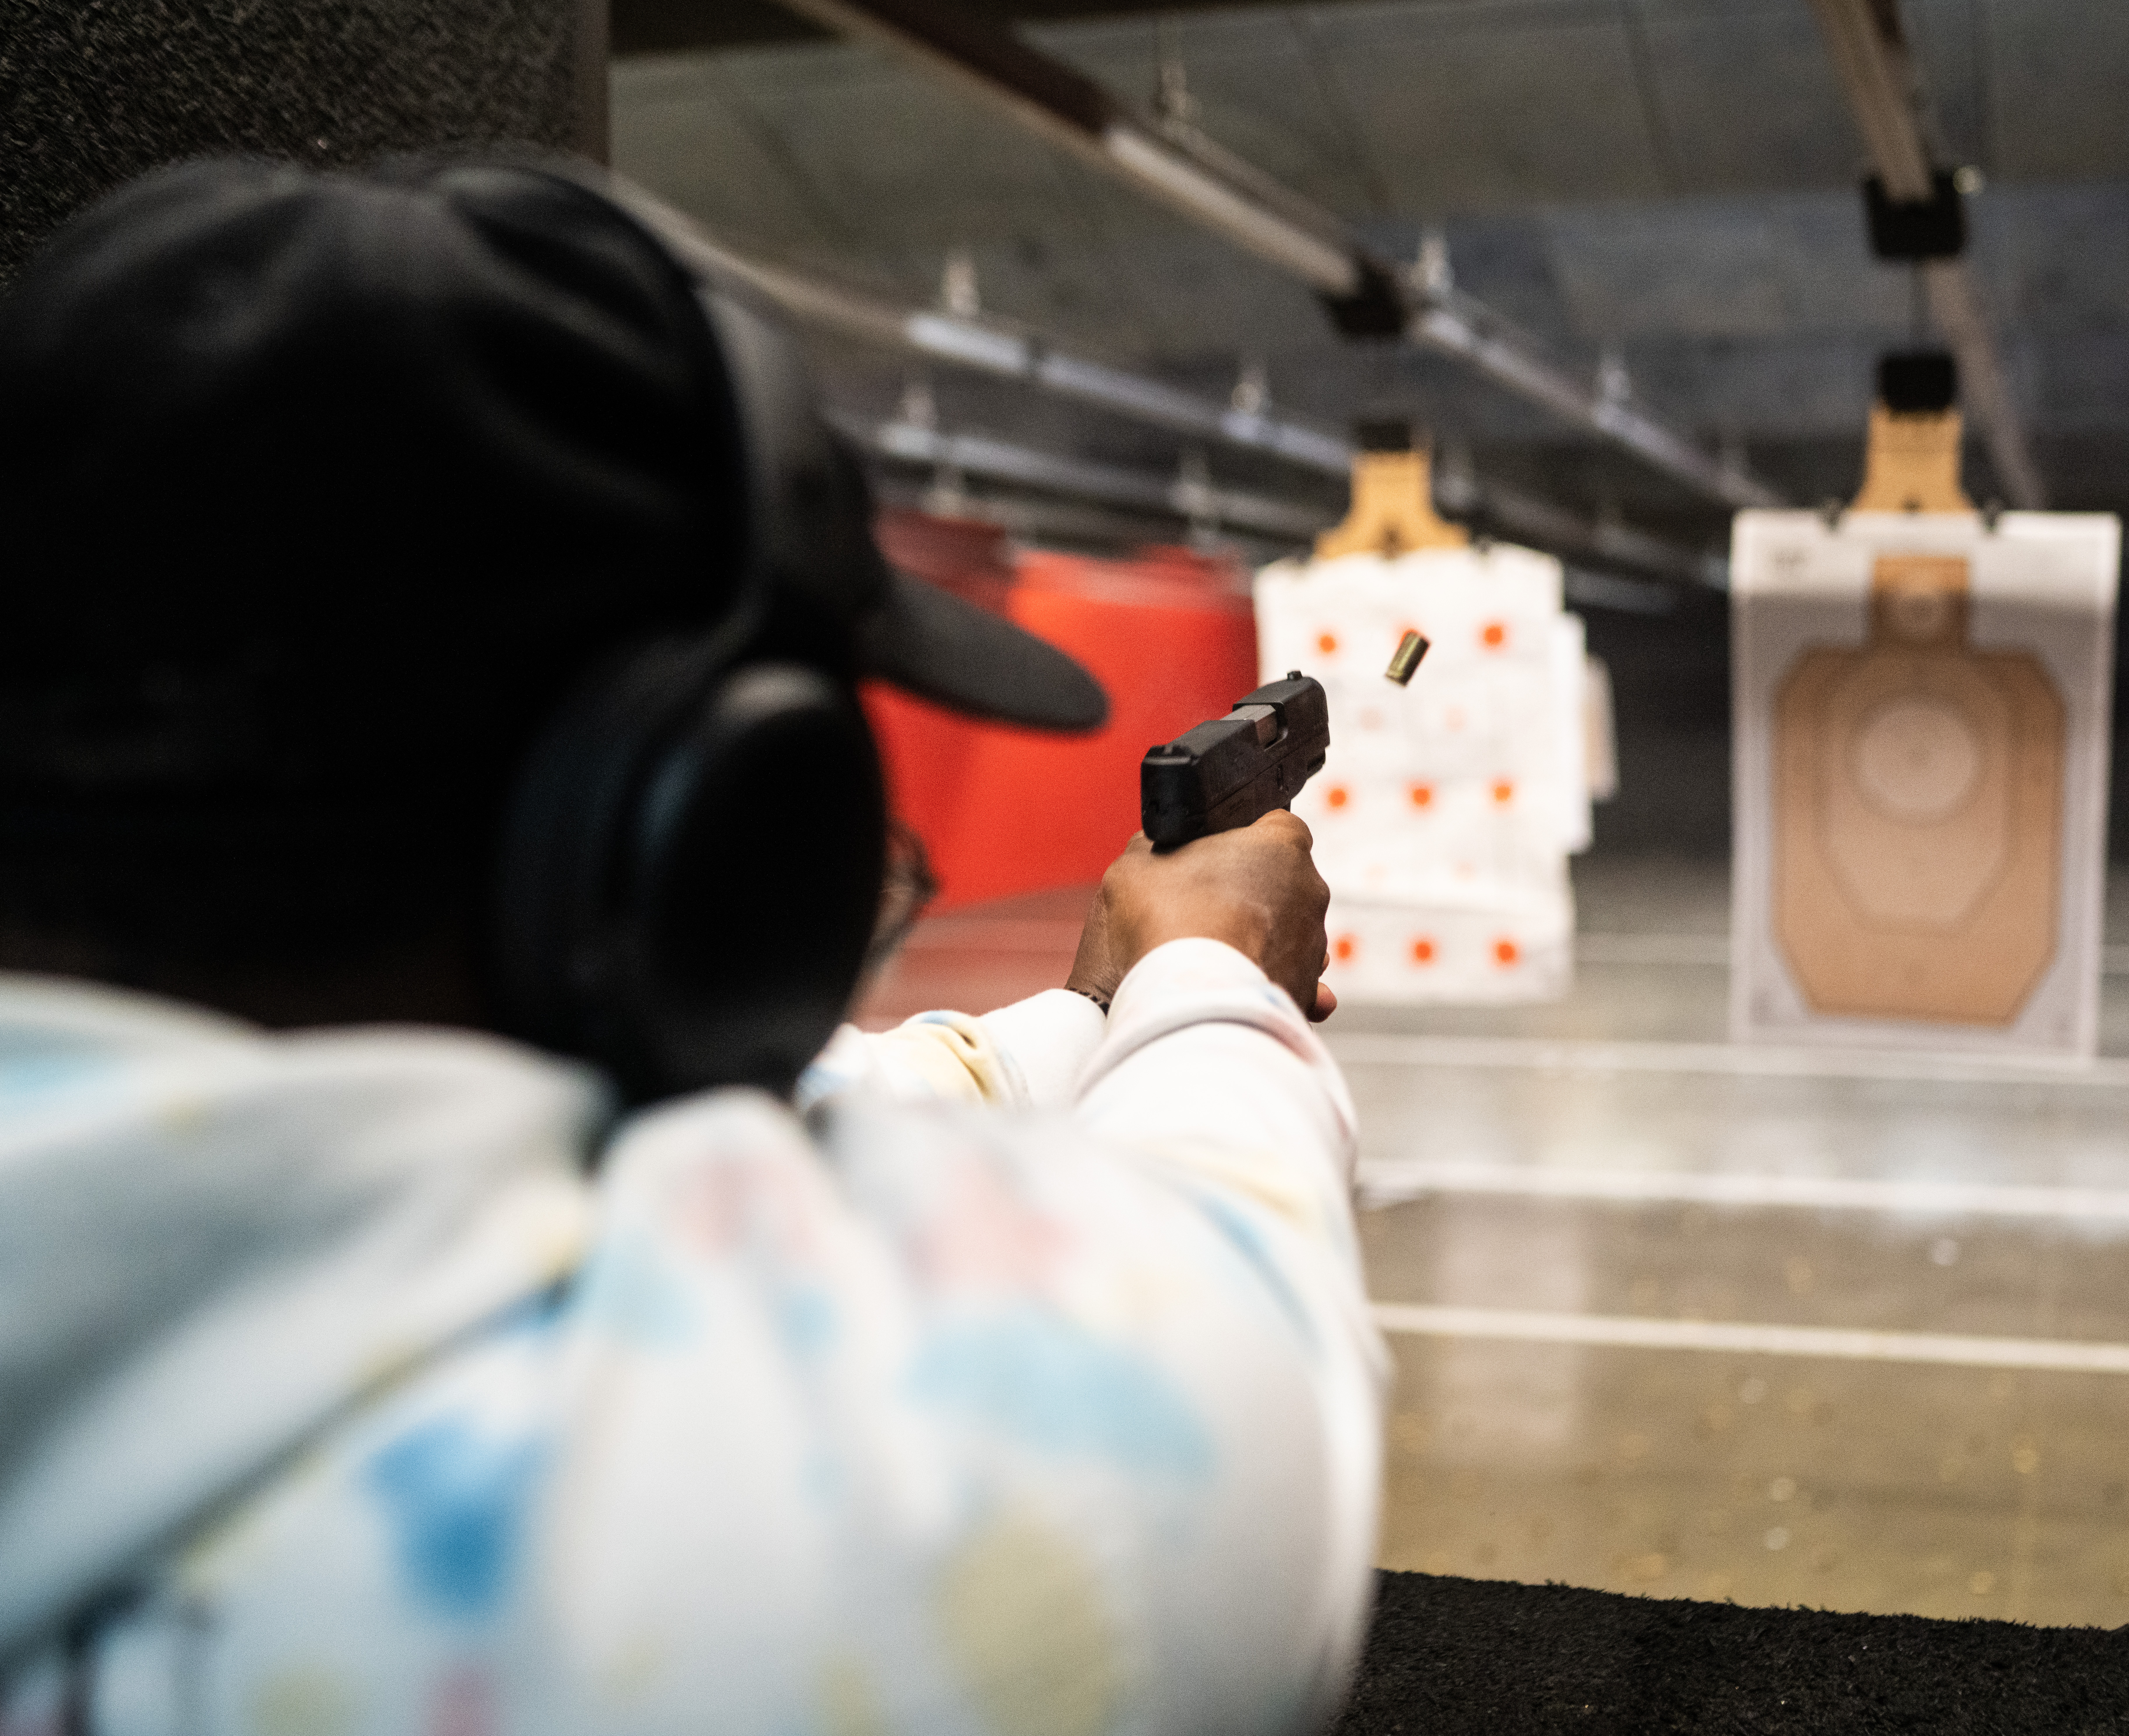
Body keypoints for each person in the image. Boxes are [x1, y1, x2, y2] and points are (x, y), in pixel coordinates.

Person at [0, 158, 1383, 1735]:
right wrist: (1215, 990)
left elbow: (785, 1115)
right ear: (709, 843)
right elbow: (1245, 1377)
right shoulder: (669, 1591)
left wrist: (1096, 1016)